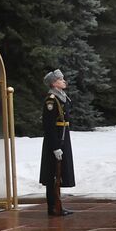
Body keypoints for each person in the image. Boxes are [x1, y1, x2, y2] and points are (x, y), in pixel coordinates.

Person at [40, 69, 76, 217]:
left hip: (63, 136)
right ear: (54, 83)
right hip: (55, 139)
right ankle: (53, 206)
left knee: (59, 172)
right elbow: (48, 125)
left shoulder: (61, 97)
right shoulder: (51, 100)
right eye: (61, 79)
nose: (64, 81)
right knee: (52, 174)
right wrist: (55, 147)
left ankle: (57, 204)